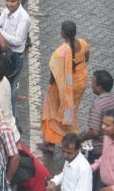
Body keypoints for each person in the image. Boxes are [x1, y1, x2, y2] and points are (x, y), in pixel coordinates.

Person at [40, 21, 90, 152]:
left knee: (53, 111)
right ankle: (71, 138)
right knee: (70, 111)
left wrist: (51, 85)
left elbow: (54, 71)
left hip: (65, 86)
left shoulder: (61, 52)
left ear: (62, 33)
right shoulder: (83, 43)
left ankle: (51, 143)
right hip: (80, 83)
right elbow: (86, 58)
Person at [79, 70, 114, 163]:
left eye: (93, 83)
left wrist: (80, 140)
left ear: (99, 87)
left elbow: (94, 132)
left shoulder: (98, 105)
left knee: (96, 176)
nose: (91, 85)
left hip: (99, 151)